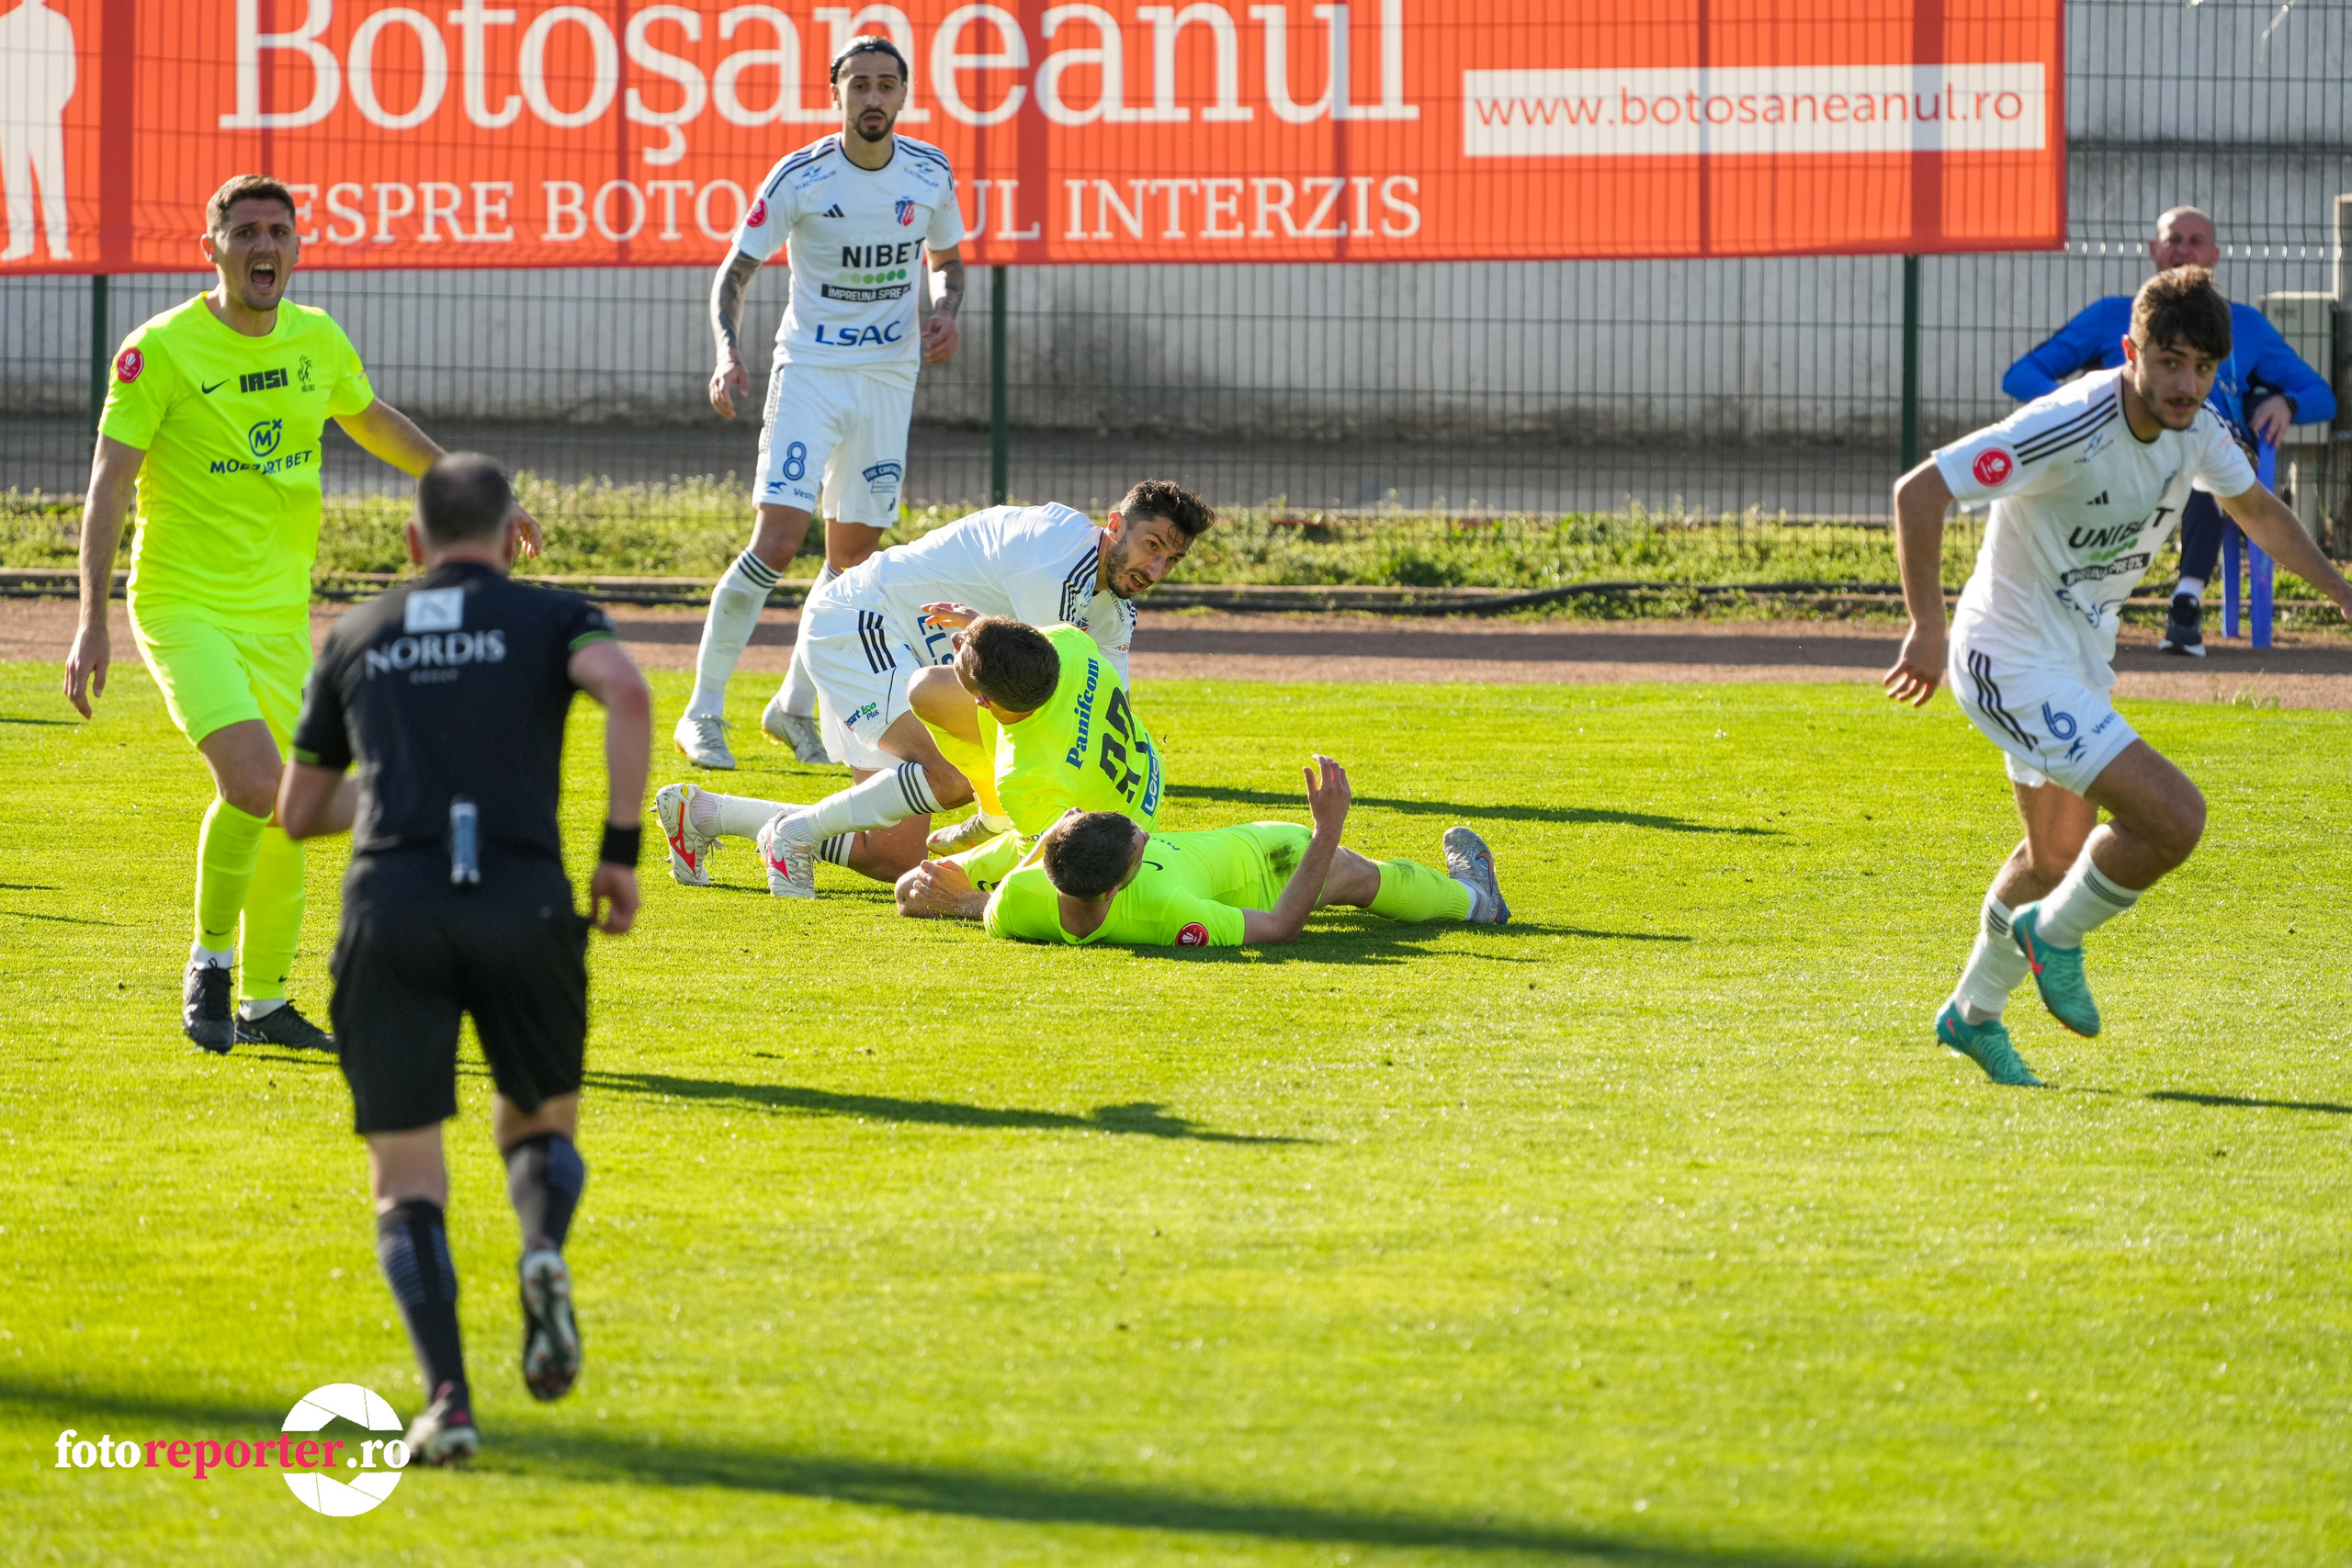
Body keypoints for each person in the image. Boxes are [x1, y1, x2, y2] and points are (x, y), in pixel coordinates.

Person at [61, 174, 539, 1055]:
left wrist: (480, 498)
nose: (263, 246)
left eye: (278, 231)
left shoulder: (316, 338)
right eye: (244, 232)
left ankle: (265, 1002)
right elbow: (109, 484)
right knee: (254, 783)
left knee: (292, 804)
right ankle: (210, 961)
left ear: (297, 247)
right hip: (183, 606)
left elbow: (374, 421)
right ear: (211, 249)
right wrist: (90, 616)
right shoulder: (158, 351)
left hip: (279, 619)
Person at [1886, 267, 2352, 1087]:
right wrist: (1927, 624)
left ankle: (1972, 1014)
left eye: (2203, 368)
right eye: (2169, 361)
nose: (2186, 384)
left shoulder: (2201, 429)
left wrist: (2342, 592)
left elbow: (2256, 510)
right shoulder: (2067, 422)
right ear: (2132, 352)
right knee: (2174, 817)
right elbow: (1920, 492)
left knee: (2054, 856)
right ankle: (2052, 936)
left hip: (2074, 657)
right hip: (2007, 657)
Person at [277, 454, 650, 1465]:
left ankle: (448, 1400)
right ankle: (540, 1249)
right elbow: (625, 691)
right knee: (536, 1120)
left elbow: (297, 811)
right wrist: (617, 854)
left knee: (405, 1175)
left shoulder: (356, 633)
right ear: (508, 535)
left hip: (393, 906)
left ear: (413, 541)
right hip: (523, 900)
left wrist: (405, 791)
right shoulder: (554, 616)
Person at [679, 34, 966, 770]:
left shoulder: (930, 171)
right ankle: (702, 711)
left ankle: (792, 706)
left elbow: (947, 261)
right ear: (834, 93)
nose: (872, 97)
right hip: (809, 372)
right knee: (778, 540)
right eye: (858, 84)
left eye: (885, 85)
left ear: (903, 95)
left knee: (854, 559)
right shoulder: (800, 176)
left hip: (888, 379)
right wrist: (727, 351)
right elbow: (735, 272)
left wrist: (945, 309)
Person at [752, 483, 1211, 899]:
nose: (1156, 569)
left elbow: (1111, 708)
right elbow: (1043, 696)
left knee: (895, 857)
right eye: (1152, 545)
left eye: (1172, 559)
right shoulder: (1054, 561)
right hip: (860, 621)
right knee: (953, 775)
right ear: (1114, 525)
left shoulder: (1116, 608)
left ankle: (717, 814)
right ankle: (793, 833)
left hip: (915, 656)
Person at [2000, 206, 2336, 658]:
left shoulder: (2246, 326)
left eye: (2196, 241)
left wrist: (2286, 402)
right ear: (2154, 250)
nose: (2184, 250)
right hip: (2115, 457)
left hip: (2209, 457)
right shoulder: (2111, 316)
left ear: (2214, 255)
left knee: (2200, 457)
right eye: (2173, 239)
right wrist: (2081, 410)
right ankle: (2058, 610)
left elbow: (2322, 396)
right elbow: (2021, 375)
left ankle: (2186, 602)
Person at [658, 616, 1165, 906]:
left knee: (908, 876)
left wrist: (970, 902)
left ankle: (728, 817)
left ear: (985, 702)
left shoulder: (1024, 773)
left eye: (961, 651)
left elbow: (1050, 879)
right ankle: (769, 826)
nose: (956, 643)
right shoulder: (1071, 648)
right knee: (925, 809)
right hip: (1139, 803)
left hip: (1112, 844)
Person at [981, 757, 1510, 948]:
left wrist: (1060, 828)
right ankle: (1475, 900)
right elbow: (1280, 927)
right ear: (1114, 890)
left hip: (1246, 843)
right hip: (1276, 864)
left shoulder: (1017, 901)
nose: (1145, 834)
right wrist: (1326, 830)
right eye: (1141, 845)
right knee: (1367, 879)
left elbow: (999, 897)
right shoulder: (1168, 915)